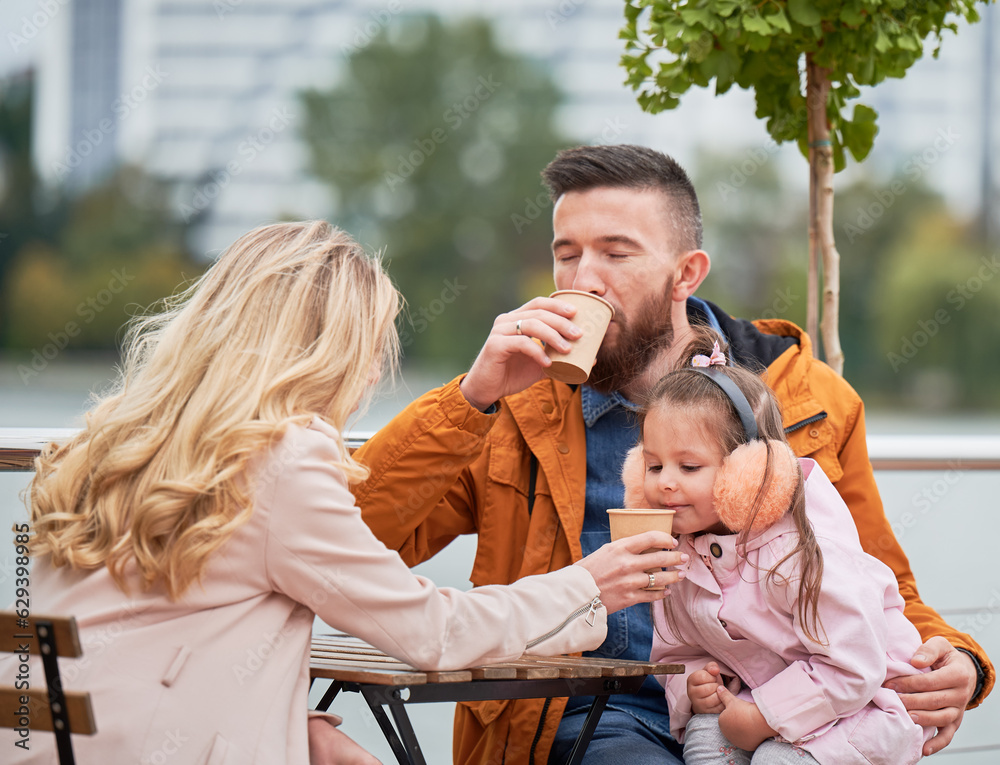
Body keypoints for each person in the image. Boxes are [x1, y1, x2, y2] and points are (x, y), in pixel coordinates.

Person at [353, 144, 993, 765]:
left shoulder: (803, 395)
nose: (583, 280)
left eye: (615, 253)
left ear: (686, 273)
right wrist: (472, 395)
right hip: (592, 711)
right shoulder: (516, 407)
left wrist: (959, 659)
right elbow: (357, 539)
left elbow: (872, 577)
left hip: (773, 705)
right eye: (566, 255)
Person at [1, 221, 683, 764]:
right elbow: (431, 633)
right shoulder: (281, 459)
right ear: (334, 350)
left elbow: (149, 630)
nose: (368, 376)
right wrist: (587, 584)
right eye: (373, 347)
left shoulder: (106, 441)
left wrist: (296, 726)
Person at [621, 332, 933, 764]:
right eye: (653, 466)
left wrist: (766, 717)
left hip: (867, 703)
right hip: (765, 692)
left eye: (688, 466)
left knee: (775, 759)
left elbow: (854, 666)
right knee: (704, 737)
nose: (664, 482)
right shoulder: (681, 553)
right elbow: (680, 650)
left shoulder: (801, 553)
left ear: (748, 472)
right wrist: (696, 685)